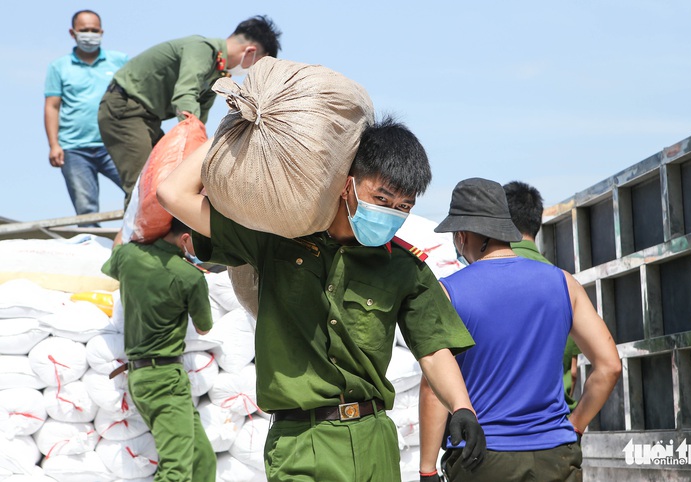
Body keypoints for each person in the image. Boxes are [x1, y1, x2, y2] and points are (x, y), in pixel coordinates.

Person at [157, 117, 486, 481]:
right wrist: (233, 130)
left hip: (374, 439)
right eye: (382, 199)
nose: (391, 214)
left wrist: (461, 407)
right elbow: (173, 194)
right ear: (348, 184)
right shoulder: (275, 238)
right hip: (300, 442)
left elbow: (432, 347)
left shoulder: (404, 268)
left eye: (403, 207)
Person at [419, 178, 622, 482]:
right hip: (556, 455)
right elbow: (609, 366)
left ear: (462, 235)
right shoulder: (563, 283)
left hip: (482, 458)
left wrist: (427, 469)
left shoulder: (448, 293)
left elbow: (433, 390)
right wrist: (575, 426)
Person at [98, 15, 282, 207]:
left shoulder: (219, 73)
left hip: (148, 118)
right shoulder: (201, 49)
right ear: (250, 51)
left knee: (166, 175)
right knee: (143, 183)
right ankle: (132, 236)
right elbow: (185, 96)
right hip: (124, 109)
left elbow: (199, 119)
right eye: (256, 64)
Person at [102, 218, 215, 481]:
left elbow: (115, 251)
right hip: (165, 380)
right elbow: (203, 328)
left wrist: (132, 218)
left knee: (201, 458)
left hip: (140, 378)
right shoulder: (189, 276)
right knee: (176, 471)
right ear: (186, 238)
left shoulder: (129, 258)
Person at [503, 180, 582, 411]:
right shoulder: (566, 283)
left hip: (501, 428)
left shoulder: (483, 278)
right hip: (558, 426)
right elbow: (573, 372)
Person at [44, 9, 127, 227]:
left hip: (114, 144)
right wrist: (54, 144)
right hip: (74, 149)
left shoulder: (119, 61)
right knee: (86, 210)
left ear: (102, 32)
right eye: (84, 30)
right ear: (73, 33)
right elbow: (52, 106)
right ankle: (93, 251)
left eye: (94, 30)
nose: (89, 35)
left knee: (141, 191)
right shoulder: (59, 66)